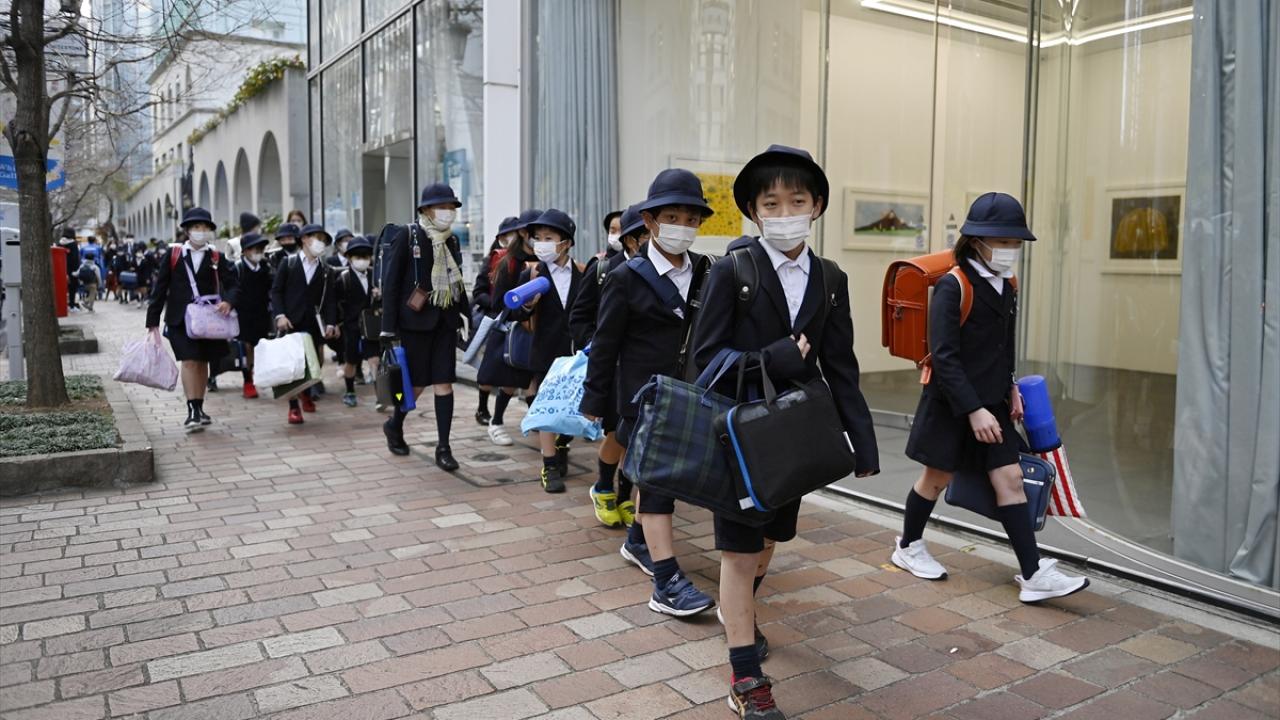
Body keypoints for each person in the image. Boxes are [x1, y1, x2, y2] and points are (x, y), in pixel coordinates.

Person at [692, 145, 880, 719]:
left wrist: (862, 440)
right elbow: (704, 360)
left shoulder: (830, 278)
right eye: (770, 203)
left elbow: (840, 364)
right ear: (753, 211)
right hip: (739, 436)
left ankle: (739, 611)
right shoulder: (733, 270)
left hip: (794, 436)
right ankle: (746, 676)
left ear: (816, 205)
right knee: (739, 551)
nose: (784, 213)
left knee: (771, 538)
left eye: (796, 201)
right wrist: (772, 358)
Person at [893, 192, 1089, 604]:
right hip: (952, 404)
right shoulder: (954, 286)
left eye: (1015, 242)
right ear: (977, 241)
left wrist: (1010, 386)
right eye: (1002, 241)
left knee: (1011, 479)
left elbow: (1003, 346)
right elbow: (945, 358)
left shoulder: (1007, 284)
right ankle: (908, 546)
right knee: (936, 479)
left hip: (993, 404)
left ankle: (1033, 573)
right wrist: (973, 410)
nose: (1010, 249)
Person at [582, 171, 719, 618]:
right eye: (672, 217)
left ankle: (638, 540)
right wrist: (594, 400)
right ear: (650, 221)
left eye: (691, 219)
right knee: (658, 481)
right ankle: (666, 581)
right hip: (643, 395)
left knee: (663, 479)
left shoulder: (707, 271)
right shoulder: (625, 277)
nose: (682, 226)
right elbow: (605, 344)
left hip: (688, 394)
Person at [570, 205, 649, 527]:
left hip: (646, 369)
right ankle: (603, 488)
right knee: (618, 432)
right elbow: (579, 317)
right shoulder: (604, 269)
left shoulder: (665, 272)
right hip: (614, 368)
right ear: (631, 241)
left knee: (637, 436)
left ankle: (625, 495)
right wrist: (597, 344)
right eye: (647, 234)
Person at [380, 183, 468, 471]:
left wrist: (465, 318)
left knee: (444, 383)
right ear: (427, 209)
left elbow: (457, 283)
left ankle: (444, 448)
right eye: (442, 207)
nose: (448, 212)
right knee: (415, 386)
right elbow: (391, 285)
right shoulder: (408, 236)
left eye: (451, 207)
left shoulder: (452, 241)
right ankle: (395, 424)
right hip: (414, 324)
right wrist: (387, 329)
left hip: (445, 323)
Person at [145, 207, 240, 432]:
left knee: (203, 361)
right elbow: (160, 288)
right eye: (196, 227)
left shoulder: (216, 256)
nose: (201, 231)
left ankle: (199, 405)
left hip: (209, 321)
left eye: (205, 227)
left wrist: (229, 301)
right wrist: (152, 320)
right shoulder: (174, 254)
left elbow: (234, 284)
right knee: (189, 361)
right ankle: (192, 410)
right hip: (180, 319)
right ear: (187, 230)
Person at [510, 209, 583, 493]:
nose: (541, 243)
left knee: (572, 406)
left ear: (566, 243)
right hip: (544, 351)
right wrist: (528, 305)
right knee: (546, 407)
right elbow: (515, 312)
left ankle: (562, 444)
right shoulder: (532, 273)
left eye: (548, 237)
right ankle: (549, 465)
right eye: (538, 238)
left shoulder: (583, 272)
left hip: (575, 354)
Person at [476, 209, 541, 446]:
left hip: (541, 330)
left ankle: (537, 421)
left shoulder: (546, 260)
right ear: (523, 233)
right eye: (537, 234)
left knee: (535, 381)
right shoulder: (509, 262)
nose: (541, 240)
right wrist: (523, 305)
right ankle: (496, 422)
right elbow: (497, 303)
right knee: (512, 381)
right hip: (516, 331)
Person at [271, 223, 340, 425]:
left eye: (323, 240)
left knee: (313, 362)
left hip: (314, 323)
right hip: (291, 322)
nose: (320, 243)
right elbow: (276, 291)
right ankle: (294, 406)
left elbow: (330, 300)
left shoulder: (326, 270)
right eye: (316, 238)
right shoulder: (289, 263)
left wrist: (331, 323)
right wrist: (280, 315)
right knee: (293, 365)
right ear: (304, 239)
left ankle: (307, 393)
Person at [471, 216, 517, 427]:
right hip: (495, 320)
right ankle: (482, 407)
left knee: (517, 369)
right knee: (490, 367)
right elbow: (478, 292)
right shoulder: (493, 260)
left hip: (518, 320)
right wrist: (497, 303)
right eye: (508, 235)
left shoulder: (528, 260)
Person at [336, 235, 381, 407]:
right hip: (351, 327)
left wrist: (379, 295)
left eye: (365, 256)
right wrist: (335, 324)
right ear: (349, 258)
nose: (362, 260)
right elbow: (336, 304)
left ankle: (380, 394)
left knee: (375, 360)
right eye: (357, 256)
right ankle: (349, 391)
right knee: (351, 361)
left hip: (371, 325)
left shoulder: (375, 276)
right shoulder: (344, 278)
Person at [234, 232, 274, 399]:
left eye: (260, 248)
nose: (257, 252)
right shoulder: (238, 269)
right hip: (242, 315)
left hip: (262, 314)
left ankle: (257, 373)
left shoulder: (266, 268)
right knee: (246, 347)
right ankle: (247, 380)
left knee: (260, 347)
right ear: (244, 251)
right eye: (253, 248)